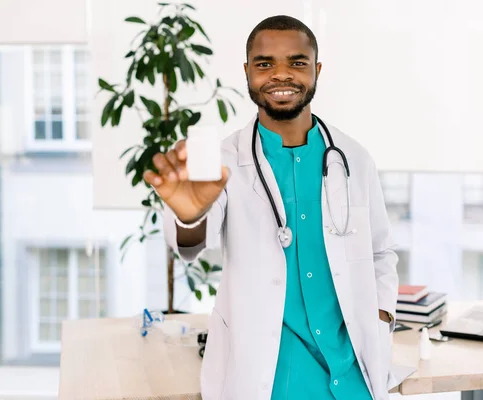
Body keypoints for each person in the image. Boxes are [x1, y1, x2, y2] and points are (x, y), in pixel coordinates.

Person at [144, 15, 399, 400]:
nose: (282, 75)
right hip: (269, 379)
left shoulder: (353, 158)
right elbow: (191, 245)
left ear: (317, 69)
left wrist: (380, 317)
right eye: (265, 64)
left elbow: (381, 252)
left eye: (297, 62)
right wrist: (188, 215)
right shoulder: (223, 160)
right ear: (247, 72)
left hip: (351, 379)